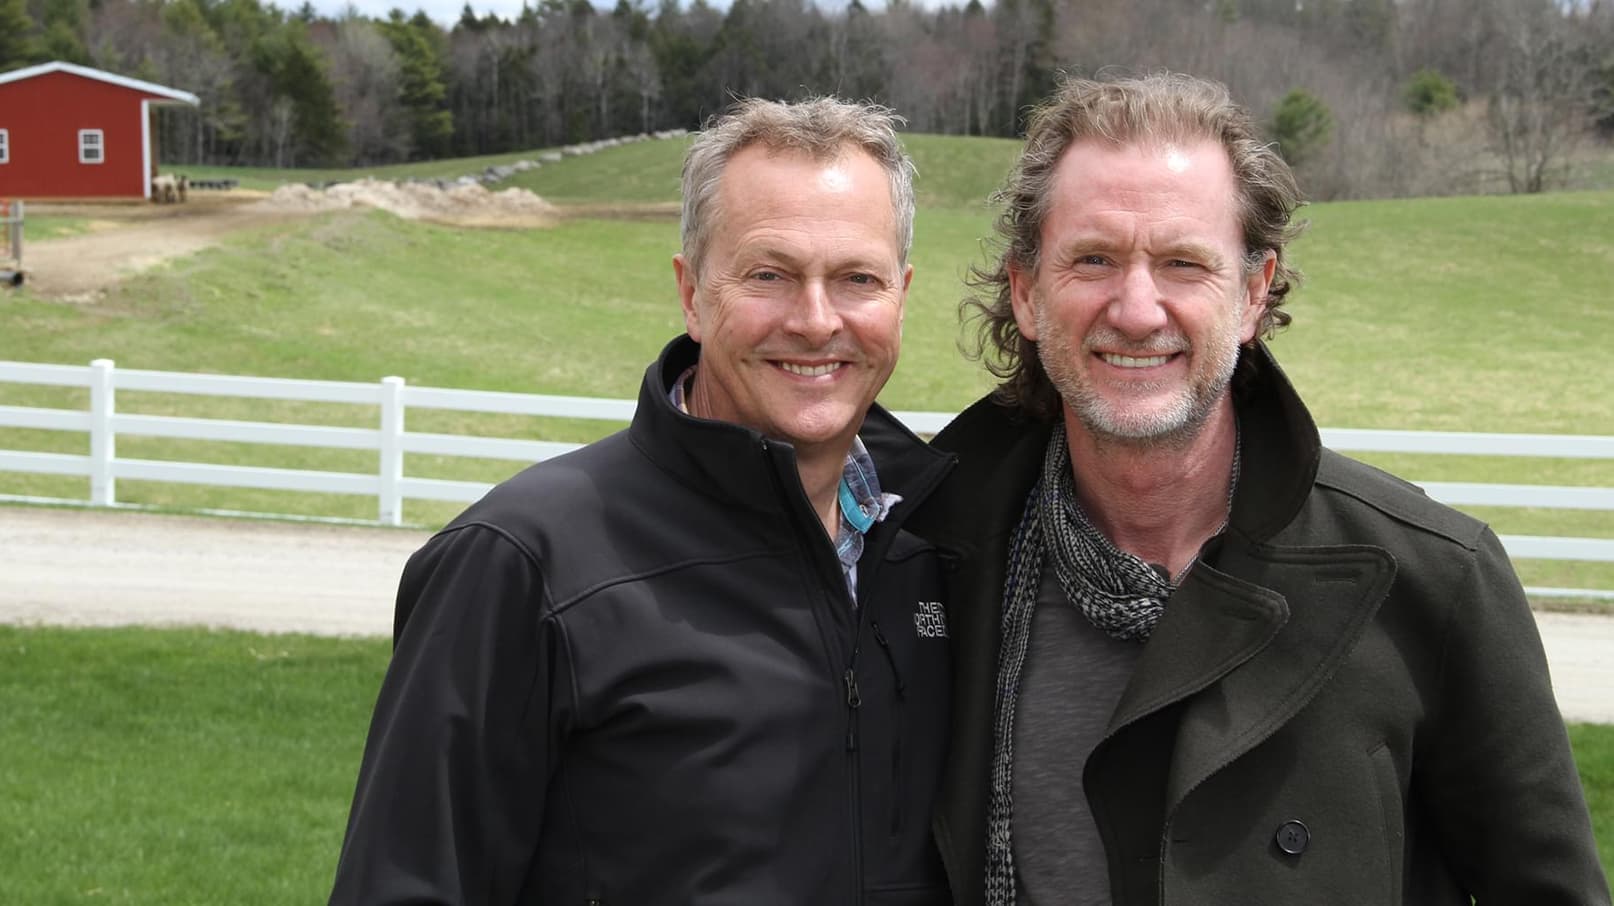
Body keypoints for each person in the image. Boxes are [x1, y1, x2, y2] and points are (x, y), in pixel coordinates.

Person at [909, 73, 1610, 905]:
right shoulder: (928, 561)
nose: (1137, 310)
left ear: (1251, 293)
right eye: (1094, 259)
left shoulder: (1434, 582)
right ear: (1027, 293)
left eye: (1183, 263)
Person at [329, 97, 956, 905]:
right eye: (768, 275)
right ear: (692, 295)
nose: (815, 319)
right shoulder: (524, 563)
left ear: (901, 296)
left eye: (857, 279)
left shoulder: (936, 552)